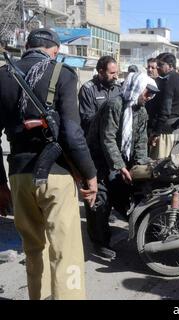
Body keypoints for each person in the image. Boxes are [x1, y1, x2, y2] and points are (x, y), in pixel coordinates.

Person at [0, 28, 98, 300]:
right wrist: (90, 175)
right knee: (65, 250)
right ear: (54, 50)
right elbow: (72, 134)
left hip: (19, 175)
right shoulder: (62, 74)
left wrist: (0, 184)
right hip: (56, 175)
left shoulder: (2, 76)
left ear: (27, 47)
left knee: (33, 249)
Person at [85, 72, 158, 259]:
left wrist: (141, 166)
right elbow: (107, 139)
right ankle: (99, 243)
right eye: (147, 93)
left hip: (119, 161)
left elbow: (141, 141)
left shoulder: (141, 111)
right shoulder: (114, 105)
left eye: (151, 94)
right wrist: (119, 166)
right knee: (100, 201)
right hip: (98, 160)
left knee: (123, 195)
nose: (149, 97)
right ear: (136, 88)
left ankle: (141, 229)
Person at [148, 53, 179, 160]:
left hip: (166, 132)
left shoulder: (168, 81)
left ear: (170, 66)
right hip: (176, 129)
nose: (158, 67)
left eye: (161, 64)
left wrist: (156, 133)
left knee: (159, 167)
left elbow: (165, 110)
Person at [79, 56, 121, 136]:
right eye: (112, 73)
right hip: (95, 138)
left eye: (116, 72)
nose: (116, 76)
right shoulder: (88, 90)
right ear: (101, 72)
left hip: (114, 139)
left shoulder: (118, 88)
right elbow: (87, 119)